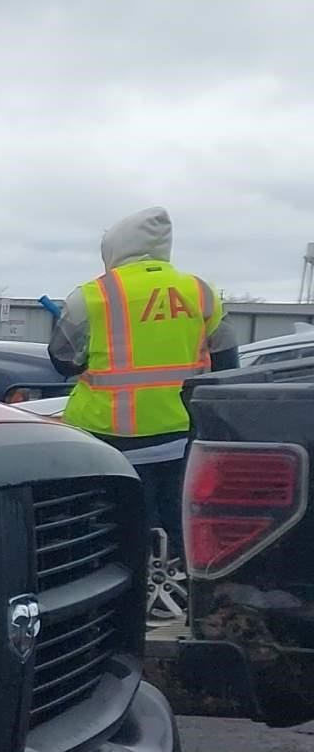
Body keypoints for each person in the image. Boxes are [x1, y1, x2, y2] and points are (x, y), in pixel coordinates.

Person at [48, 206, 239, 563]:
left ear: (115, 249)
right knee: (183, 531)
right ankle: (180, 595)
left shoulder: (91, 296)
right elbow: (227, 364)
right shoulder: (202, 292)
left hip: (108, 438)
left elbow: (62, 360)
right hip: (183, 436)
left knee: (113, 539)